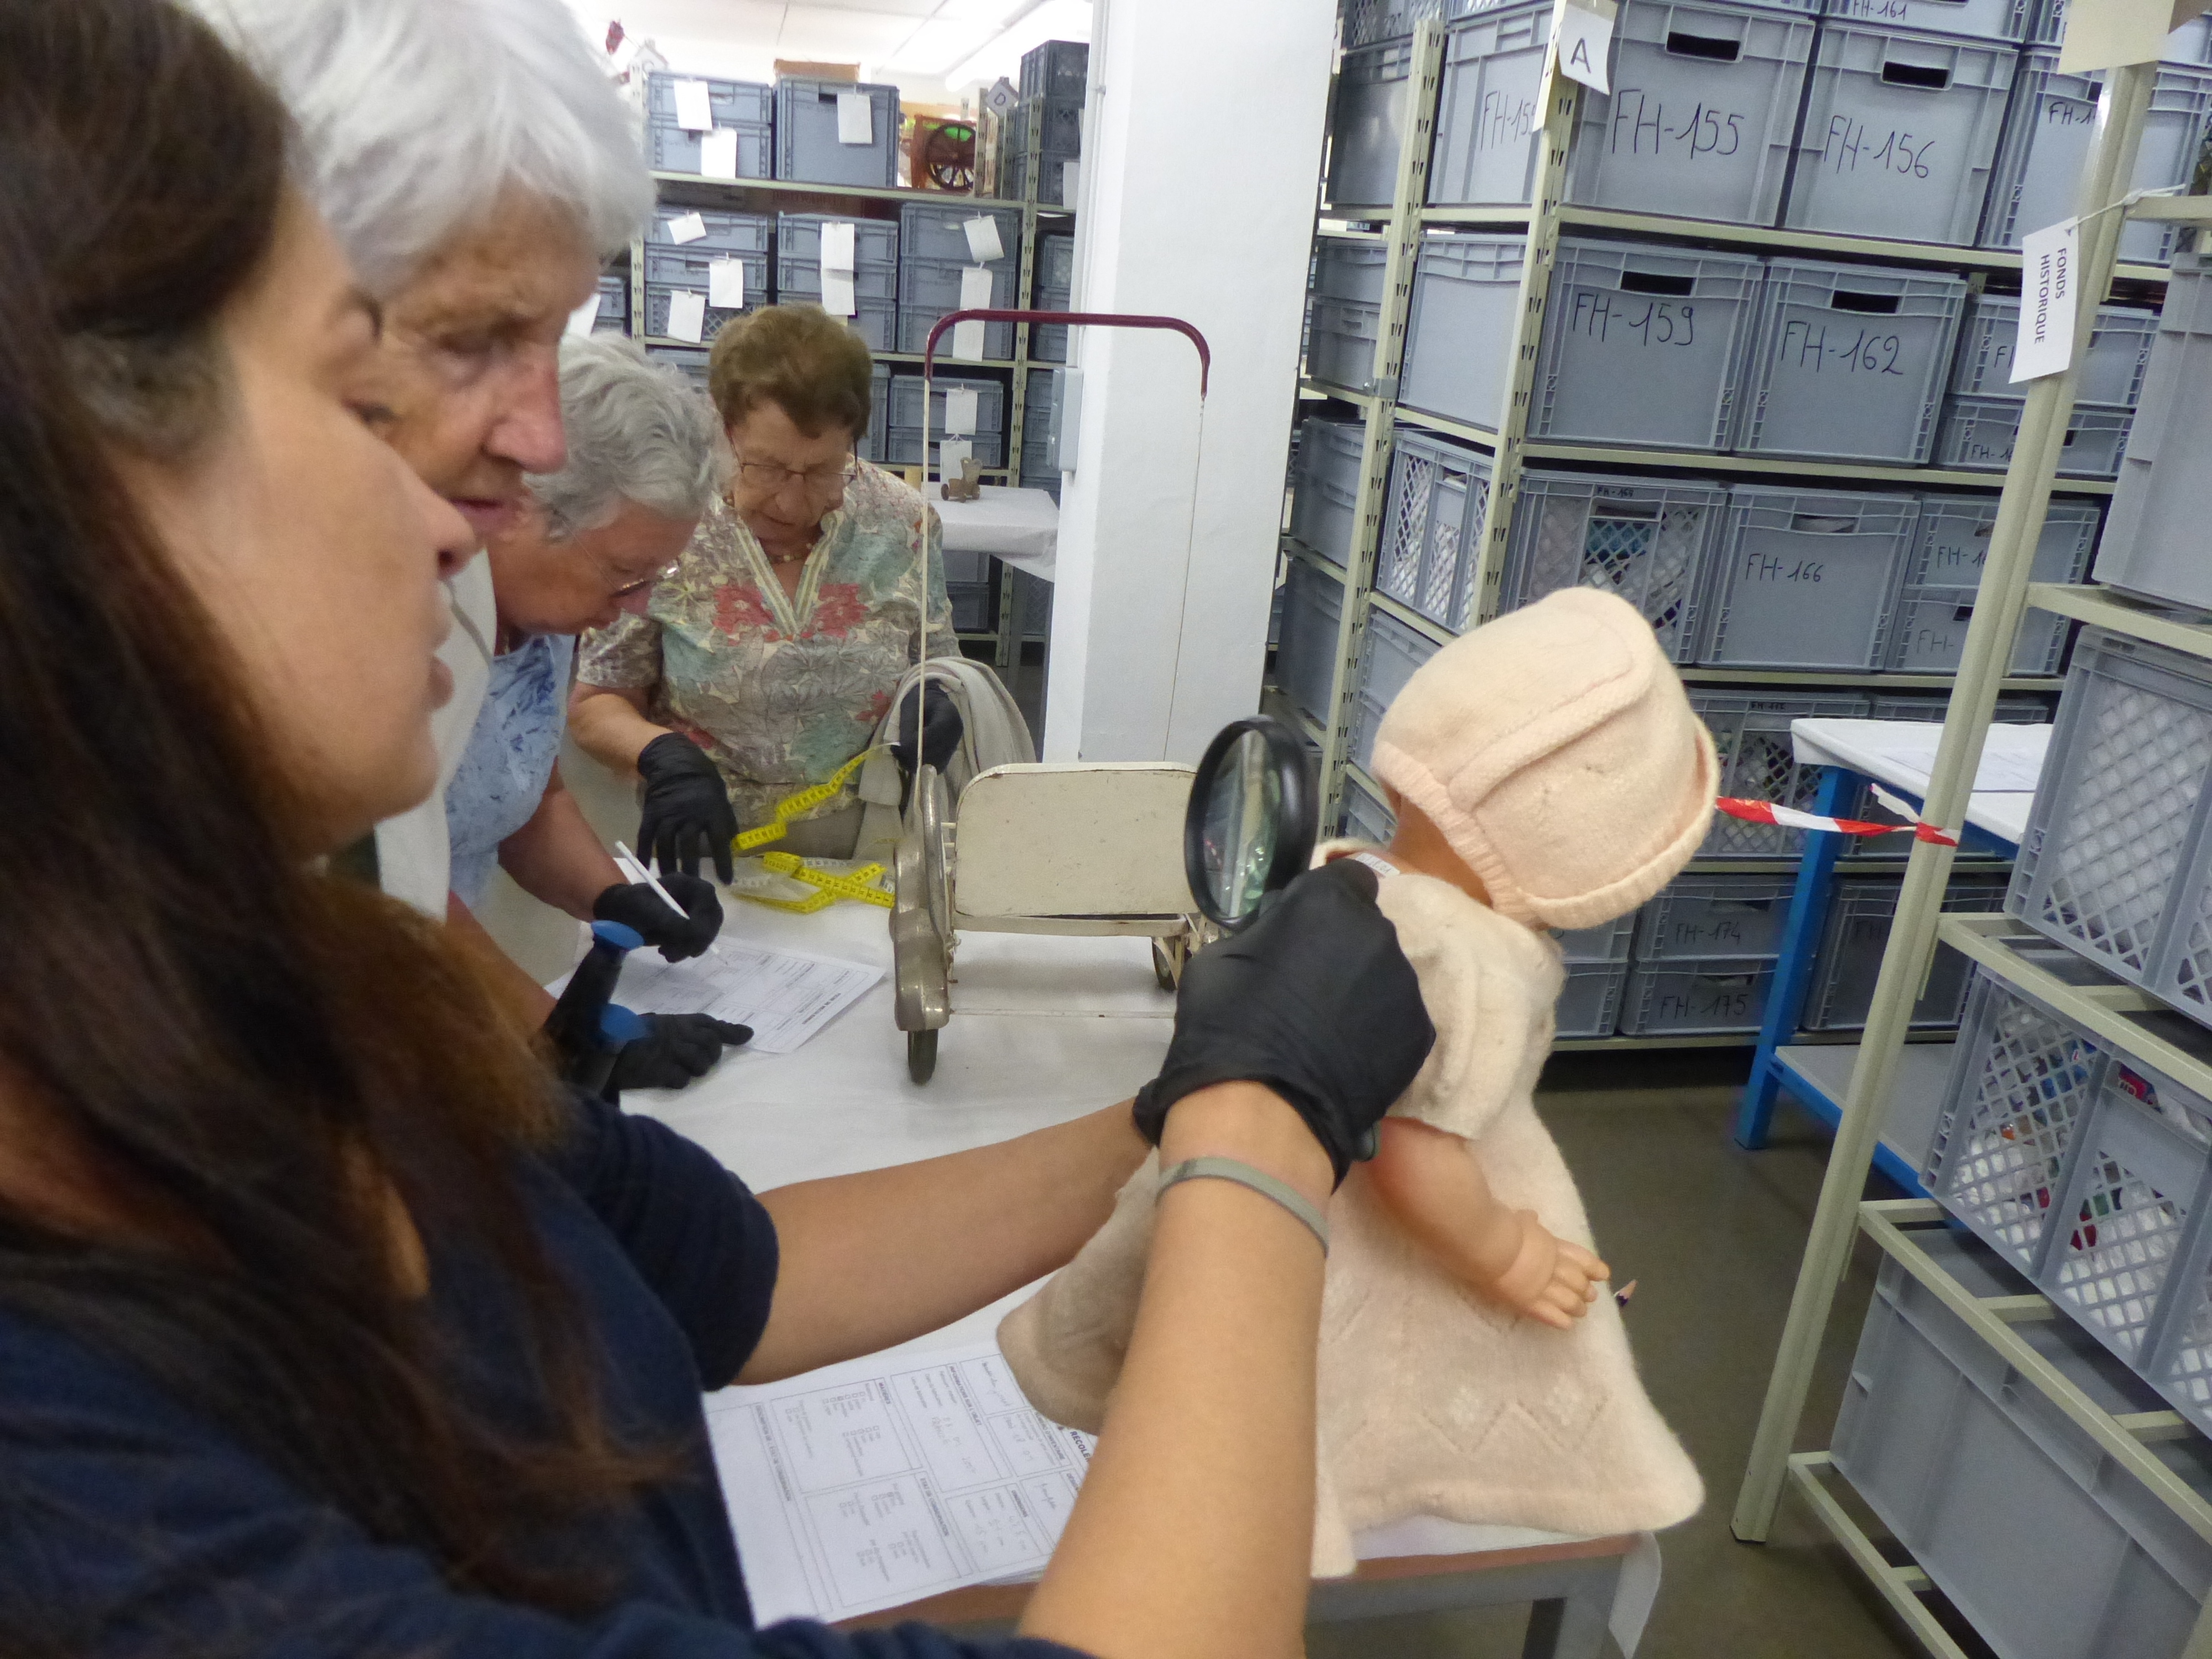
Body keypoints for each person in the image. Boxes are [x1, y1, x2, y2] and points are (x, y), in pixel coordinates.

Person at [0, 12, 1436, 1659]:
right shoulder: (68, 1493)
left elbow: (738, 1271)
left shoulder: (311, 1010)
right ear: (76, 488)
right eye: (364, 376)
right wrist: (1266, 1133)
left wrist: (1175, 1108)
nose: (499, 468)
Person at [1002, 588, 1713, 1572]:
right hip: (1390, 1224)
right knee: (1347, 1371)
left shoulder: (1352, 867)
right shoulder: (1476, 967)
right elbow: (1421, 1153)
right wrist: (1507, 1250)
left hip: (1273, 1172)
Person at [191, 0, 652, 922]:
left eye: (554, 341)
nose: (544, 441)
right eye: (473, 338)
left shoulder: (448, 570)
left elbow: (395, 889)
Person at [445, 335, 750, 1091]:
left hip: (444, 1006)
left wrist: (615, 895)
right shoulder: (410, 634)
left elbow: (526, 797)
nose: (637, 607)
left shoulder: (547, 624)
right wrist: (568, 1037)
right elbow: (389, 896)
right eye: (623, 573)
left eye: (653, 577)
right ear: (520, 510)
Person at [572, 306, 967, 880]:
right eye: (768, 468)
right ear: (723, 428)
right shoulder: (666, 522)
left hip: (872, 846)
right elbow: (596, 702)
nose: (792, 502)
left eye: (823, 469)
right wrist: (662, 759)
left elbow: (939, 665)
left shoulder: (903, 524)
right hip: (703, 844)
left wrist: (939, 697)